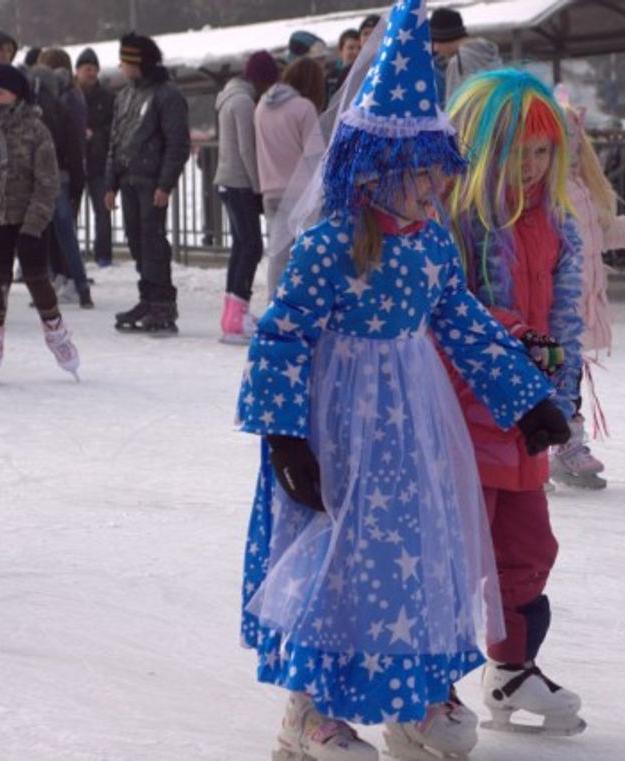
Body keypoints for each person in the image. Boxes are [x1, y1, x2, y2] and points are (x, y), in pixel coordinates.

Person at [236, 3, 570, 760]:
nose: (433, 195)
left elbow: (468, 325)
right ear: (375, 172)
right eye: (420, 179)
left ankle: (412, 701)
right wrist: (286, 435)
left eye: (438, 178)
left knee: (416, 556)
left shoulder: (431, 250)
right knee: (338, 560)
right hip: (339, 427)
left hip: (417, 425)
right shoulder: (327, 248)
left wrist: (527, 400)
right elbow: (281, 336)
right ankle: (308, 710)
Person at [446, 68, 588, 734]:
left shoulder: (553, 225)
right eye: (517, 151)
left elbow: (563, 320)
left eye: (542, 152)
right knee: (456, 553)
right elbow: (455, 313)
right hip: (470, 416)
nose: (531, 167)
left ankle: (509, 671)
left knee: (528, 545)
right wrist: (522, 350)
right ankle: (429, 684)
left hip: (528, 417)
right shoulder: (460, 223)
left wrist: (562, 388)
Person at [0, 63, 79, 385]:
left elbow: (47, 182)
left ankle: (57, 334)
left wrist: (34, 224)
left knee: (37, 279)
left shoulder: (35, 130)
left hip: (28, 218)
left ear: (17, 95)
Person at [550, 97, 625, 489]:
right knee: (545, 380)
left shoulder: (581, 190)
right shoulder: (542, 194)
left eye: (574, 147)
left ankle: (569, 447)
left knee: (568, 378)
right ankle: (536, 452)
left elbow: (602, 232)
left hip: (577, 308)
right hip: (549, 307)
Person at [106, 32, 191, 334]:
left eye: (125, 61)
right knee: (136, 239)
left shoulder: (167, 95)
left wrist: (165, 184)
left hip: (151, 182)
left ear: (137, 63)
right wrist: (110, 183)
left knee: (153, 241)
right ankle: (148, 297)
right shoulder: (125, 95)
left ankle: (163, 304)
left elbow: (177, 144)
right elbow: (115, 141)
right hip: (128, 180)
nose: (120, 66)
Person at [214, 50, 278, 344]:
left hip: (227, 180)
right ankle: (236, 316)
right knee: (251, 246)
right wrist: (257, 186)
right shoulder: (242, 102)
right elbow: (246, 148)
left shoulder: (230, 96)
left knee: (242, 245)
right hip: (239, 182)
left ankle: (232, 314)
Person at [253, 56, 325, 301]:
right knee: (307, 253)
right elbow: (315, 154)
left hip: (269, 190)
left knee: (277, 254)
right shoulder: (304, 107)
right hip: (299, 191)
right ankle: (304, 303)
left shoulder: (261, 105)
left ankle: (276, 304)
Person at [29, 63, 91, 308]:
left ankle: (42, 289)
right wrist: (77, 183)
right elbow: (74, 149)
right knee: (67, 236)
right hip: (60, 178)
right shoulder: (60, 108)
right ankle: (83, 287)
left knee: (38, 236)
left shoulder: (26, 111)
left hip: (35, 181)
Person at [75, 47, 115, 267]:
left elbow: (114, 127)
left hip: (99, 162)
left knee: (102, 210)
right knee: (70, 211)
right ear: (77, 70)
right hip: (76, 163)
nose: (90, 73)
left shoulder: (107, 98)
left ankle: (103, 254)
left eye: (94, 69)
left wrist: (97, 135)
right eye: (86, 69)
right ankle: (71, 252)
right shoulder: (70, 95)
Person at [430, 7, 501, 106]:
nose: (434, 49)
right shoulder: (487, 53)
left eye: (435, 41)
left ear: (445, 37)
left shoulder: (459, 62)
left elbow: (455, 109)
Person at [326, 28, 360, 103]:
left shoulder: (366, 75)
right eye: (351, 48)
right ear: (341, 50)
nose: (356, 52)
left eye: (359, 48)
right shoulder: (330, 78)